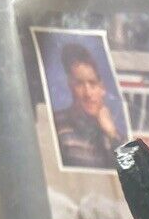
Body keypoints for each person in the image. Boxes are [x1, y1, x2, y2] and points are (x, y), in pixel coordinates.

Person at [53, 42, 124, 170]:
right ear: (70, 86)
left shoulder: (113, 134)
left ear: (102, 89)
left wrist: (112, 134)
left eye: (93, 84)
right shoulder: (55, 125)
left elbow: (135, 178)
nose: (88, 93)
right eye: (79, 84)